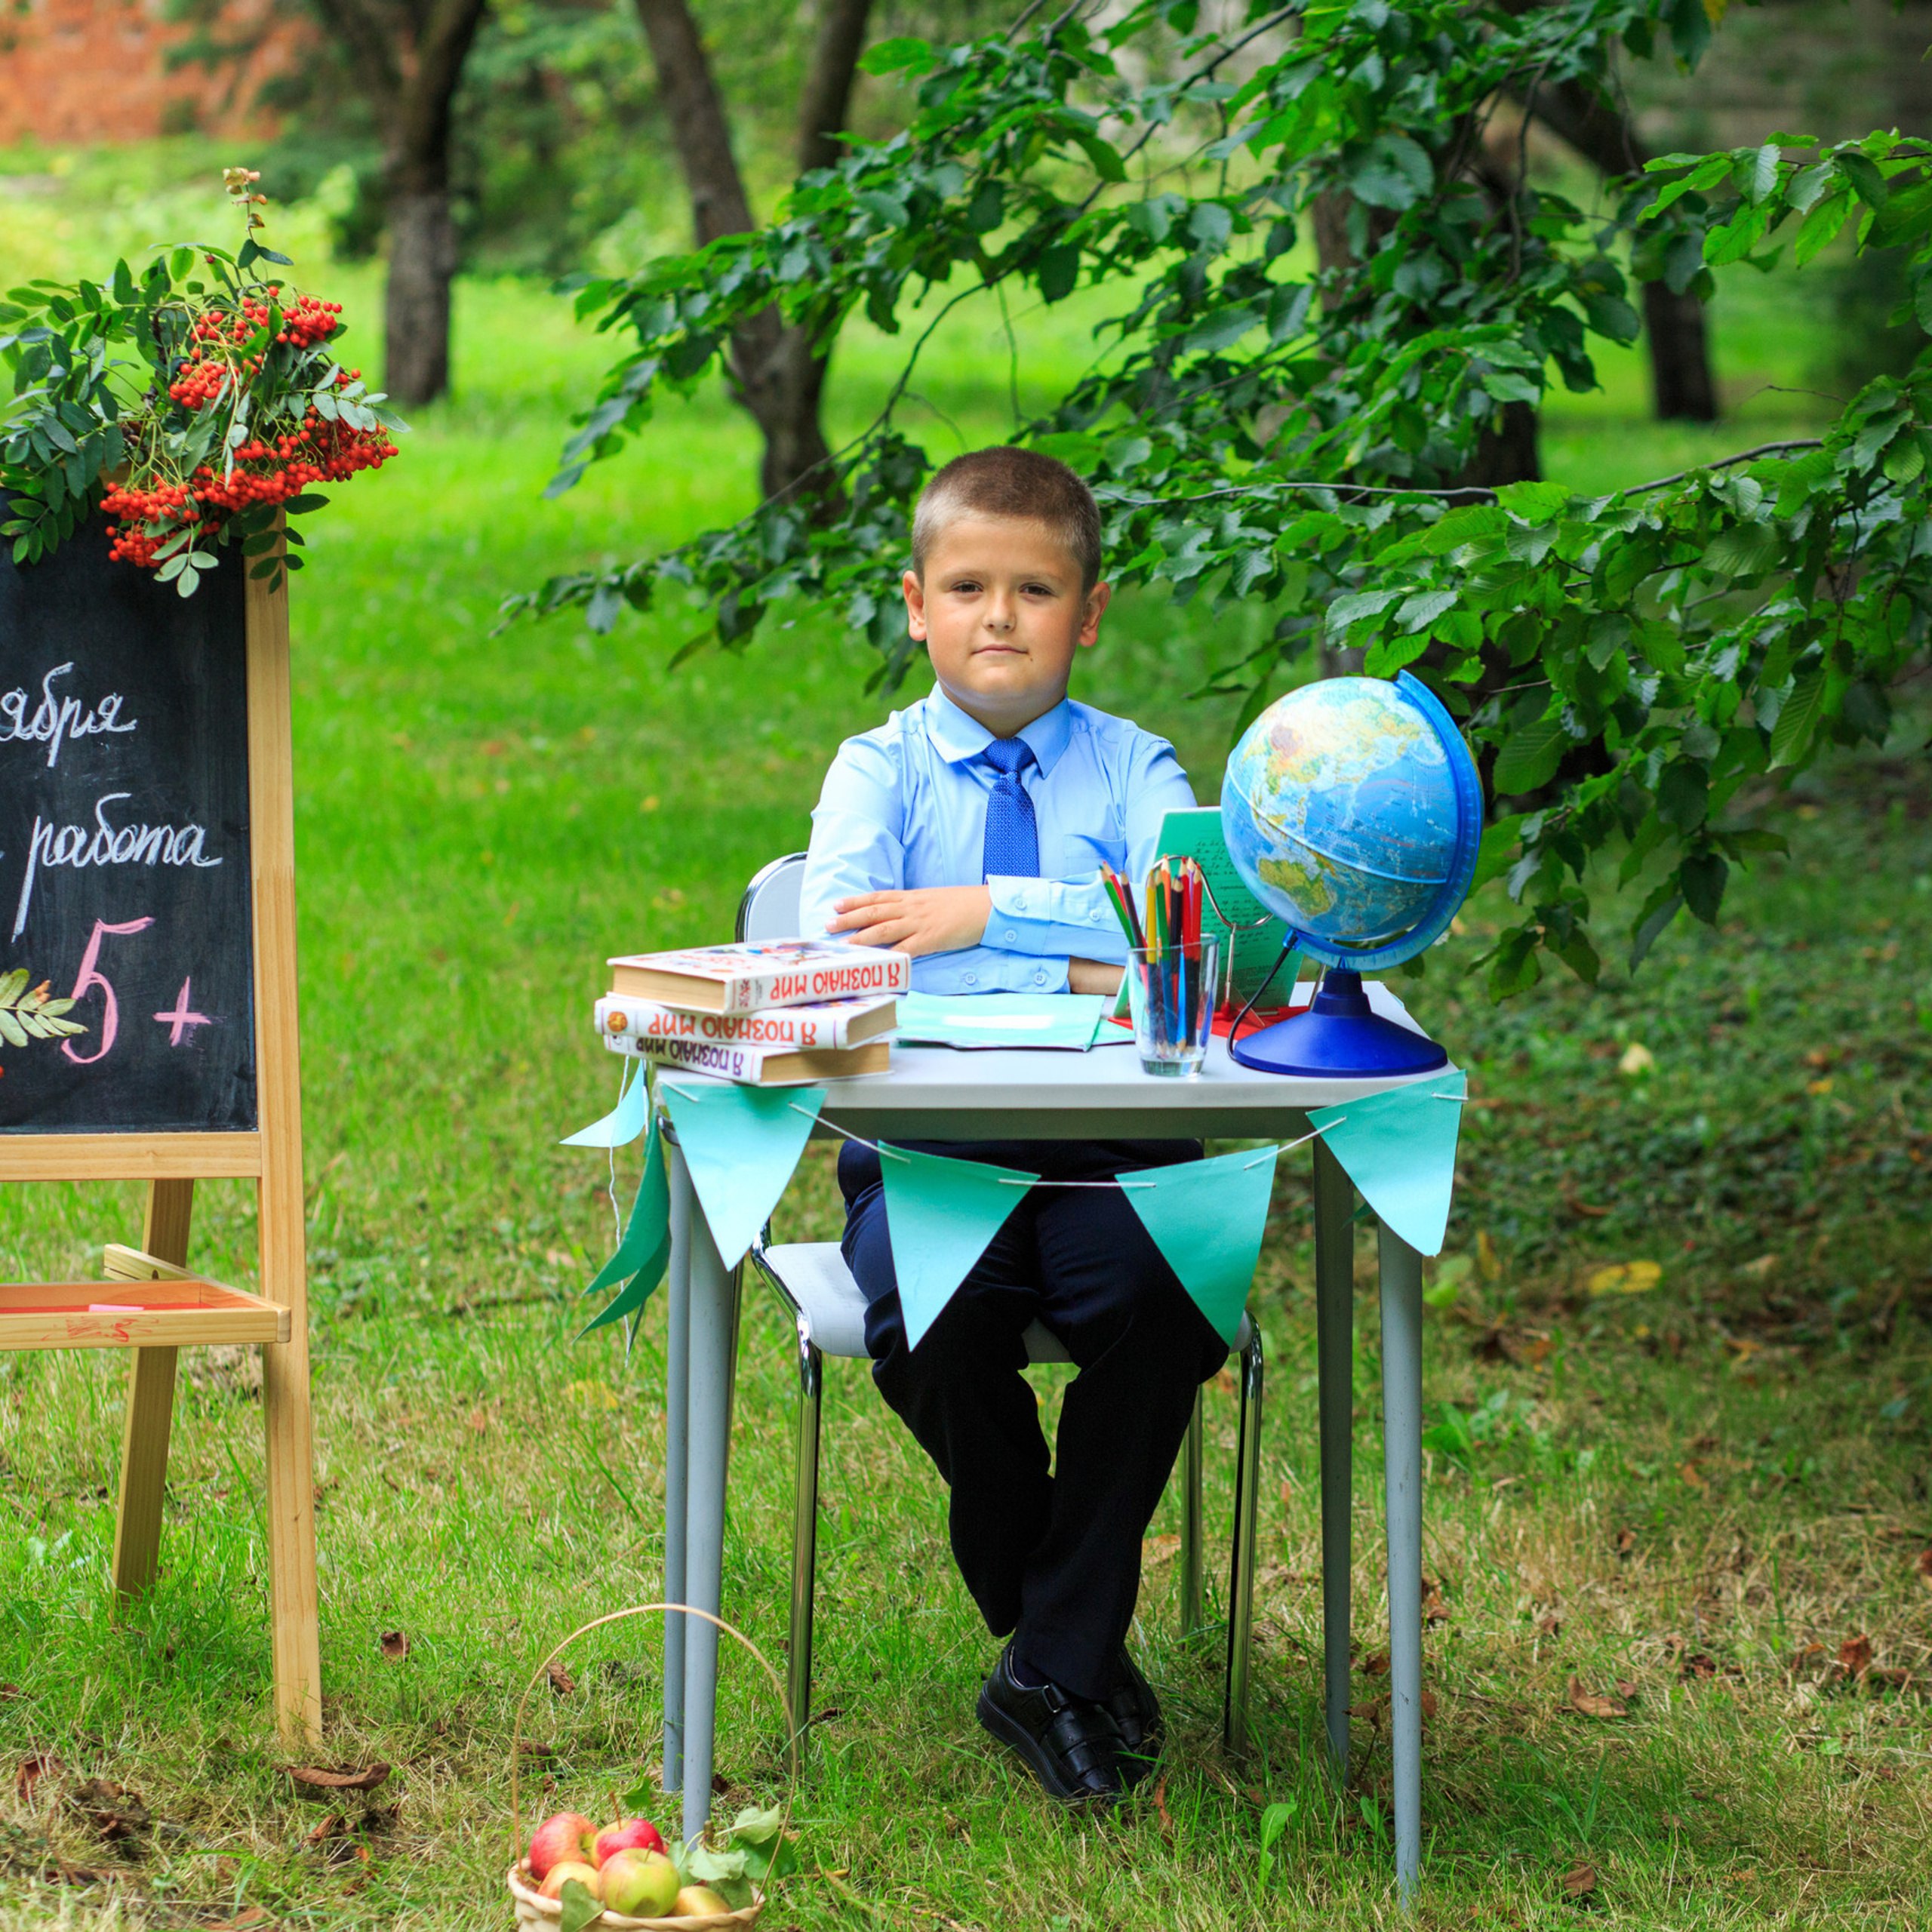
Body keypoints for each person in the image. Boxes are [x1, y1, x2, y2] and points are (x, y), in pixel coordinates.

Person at [797, 446, 1228, 1804]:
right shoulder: (876, 772)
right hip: (935, 1153)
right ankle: (1065, 1647)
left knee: (1168, 1313)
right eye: (969, 586)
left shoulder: (1136, 763)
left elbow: (1183, 937)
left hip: (1120, 1155)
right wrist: (1086, 948)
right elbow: (841, 954)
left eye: (1033, 589)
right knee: (931, 1320)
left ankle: (1047, 1662)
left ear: (1086, 614)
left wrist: (978, 919)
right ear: (915, 603)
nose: (1000, 616)